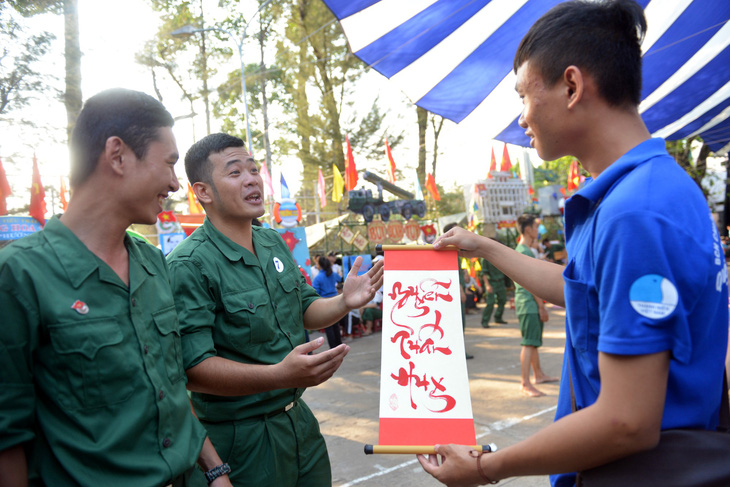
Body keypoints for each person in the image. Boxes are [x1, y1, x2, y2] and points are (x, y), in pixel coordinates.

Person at [419, 1, 728, 485]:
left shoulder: (634, 214)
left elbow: (625, 422)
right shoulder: (656, 189)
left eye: (523, 96)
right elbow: (583, 291)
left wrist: (486, 467)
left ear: (571, 85)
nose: (522, 118)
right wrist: (483, 246)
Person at [0, 89, 230, 486]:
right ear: (118, 155)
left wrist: (215, 469)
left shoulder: (152, 263)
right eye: (170, 163)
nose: (176, 185)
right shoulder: (21, 275)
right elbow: (7, 436)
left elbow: (170, 390)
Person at [167, 132, 384, 486]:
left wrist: (344, 301)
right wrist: (280, 375)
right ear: (203, 192)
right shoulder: (188, 265)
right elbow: (194, 369)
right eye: (235, 172)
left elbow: (305, 308)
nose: (252, 179)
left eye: (254, 169)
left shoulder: (270, 241)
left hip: (298, 422)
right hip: (240, 440)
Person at [515, 214, 558, 397]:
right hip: (529, 303)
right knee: (529, 343)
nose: (537, 230)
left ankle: (538, 374)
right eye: (535, 227)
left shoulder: (525, 249)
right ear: (527, 229)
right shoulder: (524, 251)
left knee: (533, 341)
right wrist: (541, 306)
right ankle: (525, 383)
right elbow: (531, 283)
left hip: (528, 303)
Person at [312, 255, 344, 347]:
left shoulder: (318, 278)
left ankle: (333, 347)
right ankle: (339, 344)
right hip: (335, 300)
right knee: (335, 325)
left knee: (328, 326)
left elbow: (315, 292)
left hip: (324, 303)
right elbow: (340, 279)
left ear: (319, 265)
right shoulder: (333, 274)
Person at [480, 240, 508, 327]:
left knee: (502, 300)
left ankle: (498, 317)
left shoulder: (500, 256)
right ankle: (485, 321)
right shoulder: (484, 257)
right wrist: (487, 285)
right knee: (490, 302)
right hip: (491, 282)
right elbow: (483, 273)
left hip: (500, 281)